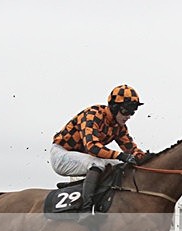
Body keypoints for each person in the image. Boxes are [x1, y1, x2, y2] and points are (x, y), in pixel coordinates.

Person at [51, 84, 147, 222]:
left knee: (121, 165)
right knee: (98, 162)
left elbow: (131, 149)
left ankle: (85, 191)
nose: (129, 116)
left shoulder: (119, 127)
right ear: (114, 107)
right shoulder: (93, 114)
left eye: (133, 112)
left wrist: (147, 158)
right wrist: (120, 155)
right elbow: (93, 147)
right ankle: (85, 210)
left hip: (83, 157)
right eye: (126, 111)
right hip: (61, 154)